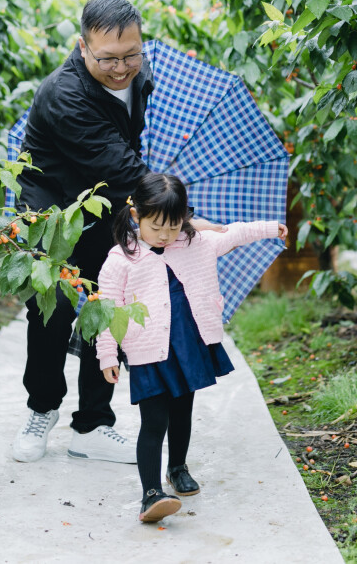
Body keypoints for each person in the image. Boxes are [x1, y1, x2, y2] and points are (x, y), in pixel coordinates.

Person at [12, 0, 223, 464]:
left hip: (106, 204)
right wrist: (180, 216)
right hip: (54, 212)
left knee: (109, 307)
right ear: (82, 47)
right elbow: (123, 165)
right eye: (108, 58)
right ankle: (41, 408)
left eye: (132, 54)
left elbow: (122, 154)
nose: (122, 67)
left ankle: (91, 424)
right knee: (52, 310)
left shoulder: (137, 74)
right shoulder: (64, 95)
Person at [95, 173, 287, 523]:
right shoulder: (121, 259)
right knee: (154, 421)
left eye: (173, 226)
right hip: (149, 351)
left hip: (187, 343)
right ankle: (150, 493)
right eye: (157, 227)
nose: (166, 235)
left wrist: (270, 228)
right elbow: (107, 310)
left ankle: (178, 467)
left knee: (183, 411)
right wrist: (107, 354)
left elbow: (234, 233)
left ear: (185, 217)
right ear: (137, 216)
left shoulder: (197, 242)